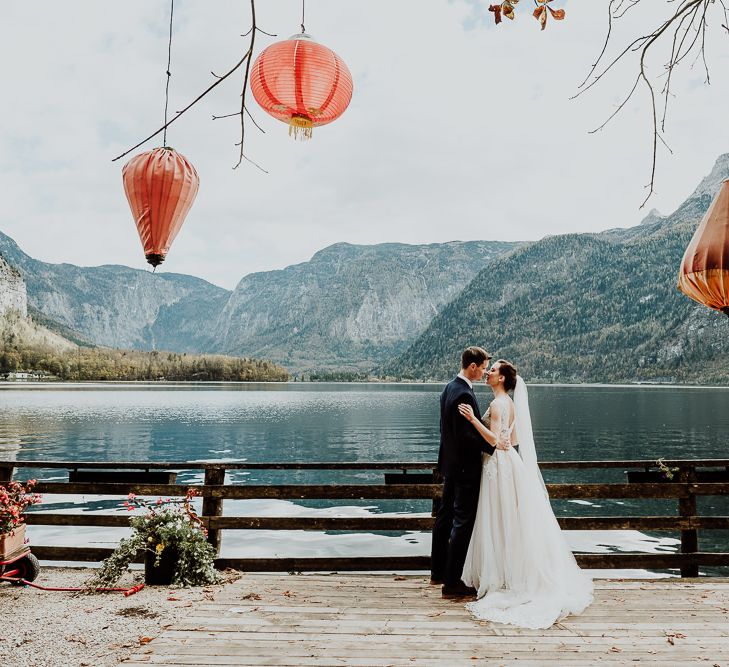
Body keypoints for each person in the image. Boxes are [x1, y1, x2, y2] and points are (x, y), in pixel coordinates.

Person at [457, 359, 593, 628]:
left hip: (498, 465)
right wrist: (503, 437)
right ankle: (511, 574)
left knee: (498, 519)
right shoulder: (510, 403)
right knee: (511, 520)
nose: (487, 373)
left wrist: (473, 419)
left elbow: (495, 441)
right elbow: (513, 439)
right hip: (511, 464)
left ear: (502, 379)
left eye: (492, 371)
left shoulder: (497, 404)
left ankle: (501, 576)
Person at [431, 346, 498, 599]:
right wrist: (490, 445)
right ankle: (451, 583)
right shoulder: (464, 395)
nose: (483, 372)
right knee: (462, 521)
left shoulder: (449, 387)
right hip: (464, 467)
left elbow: (444, 429)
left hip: (449, 464)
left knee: (445, 517)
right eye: (482, 368)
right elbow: (465, 436)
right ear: (472, 366)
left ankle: (437, 572)